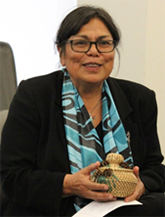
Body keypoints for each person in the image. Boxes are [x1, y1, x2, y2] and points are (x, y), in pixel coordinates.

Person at [0, 5, 165, 217]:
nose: (94, 51)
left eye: (104, 43)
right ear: (61, 53)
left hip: (122, 207)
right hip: (54, 209)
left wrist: (141, 184)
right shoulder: (34, 95)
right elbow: (12, 177)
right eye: (81, 43)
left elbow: (155, 168)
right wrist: (69, 184)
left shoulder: (140, 98)